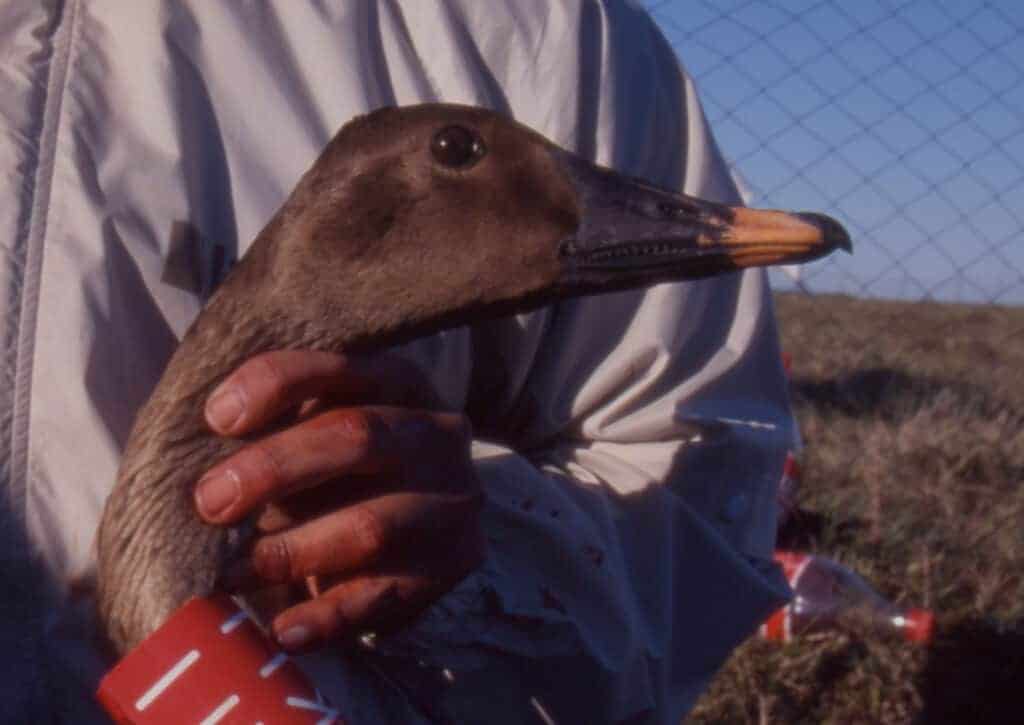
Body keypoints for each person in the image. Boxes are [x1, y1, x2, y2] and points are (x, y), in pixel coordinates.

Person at [0, 1, 795, 721]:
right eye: (457, 150)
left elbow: (696, 491)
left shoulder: (534, 26)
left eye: (457, 149)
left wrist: (483, 572)